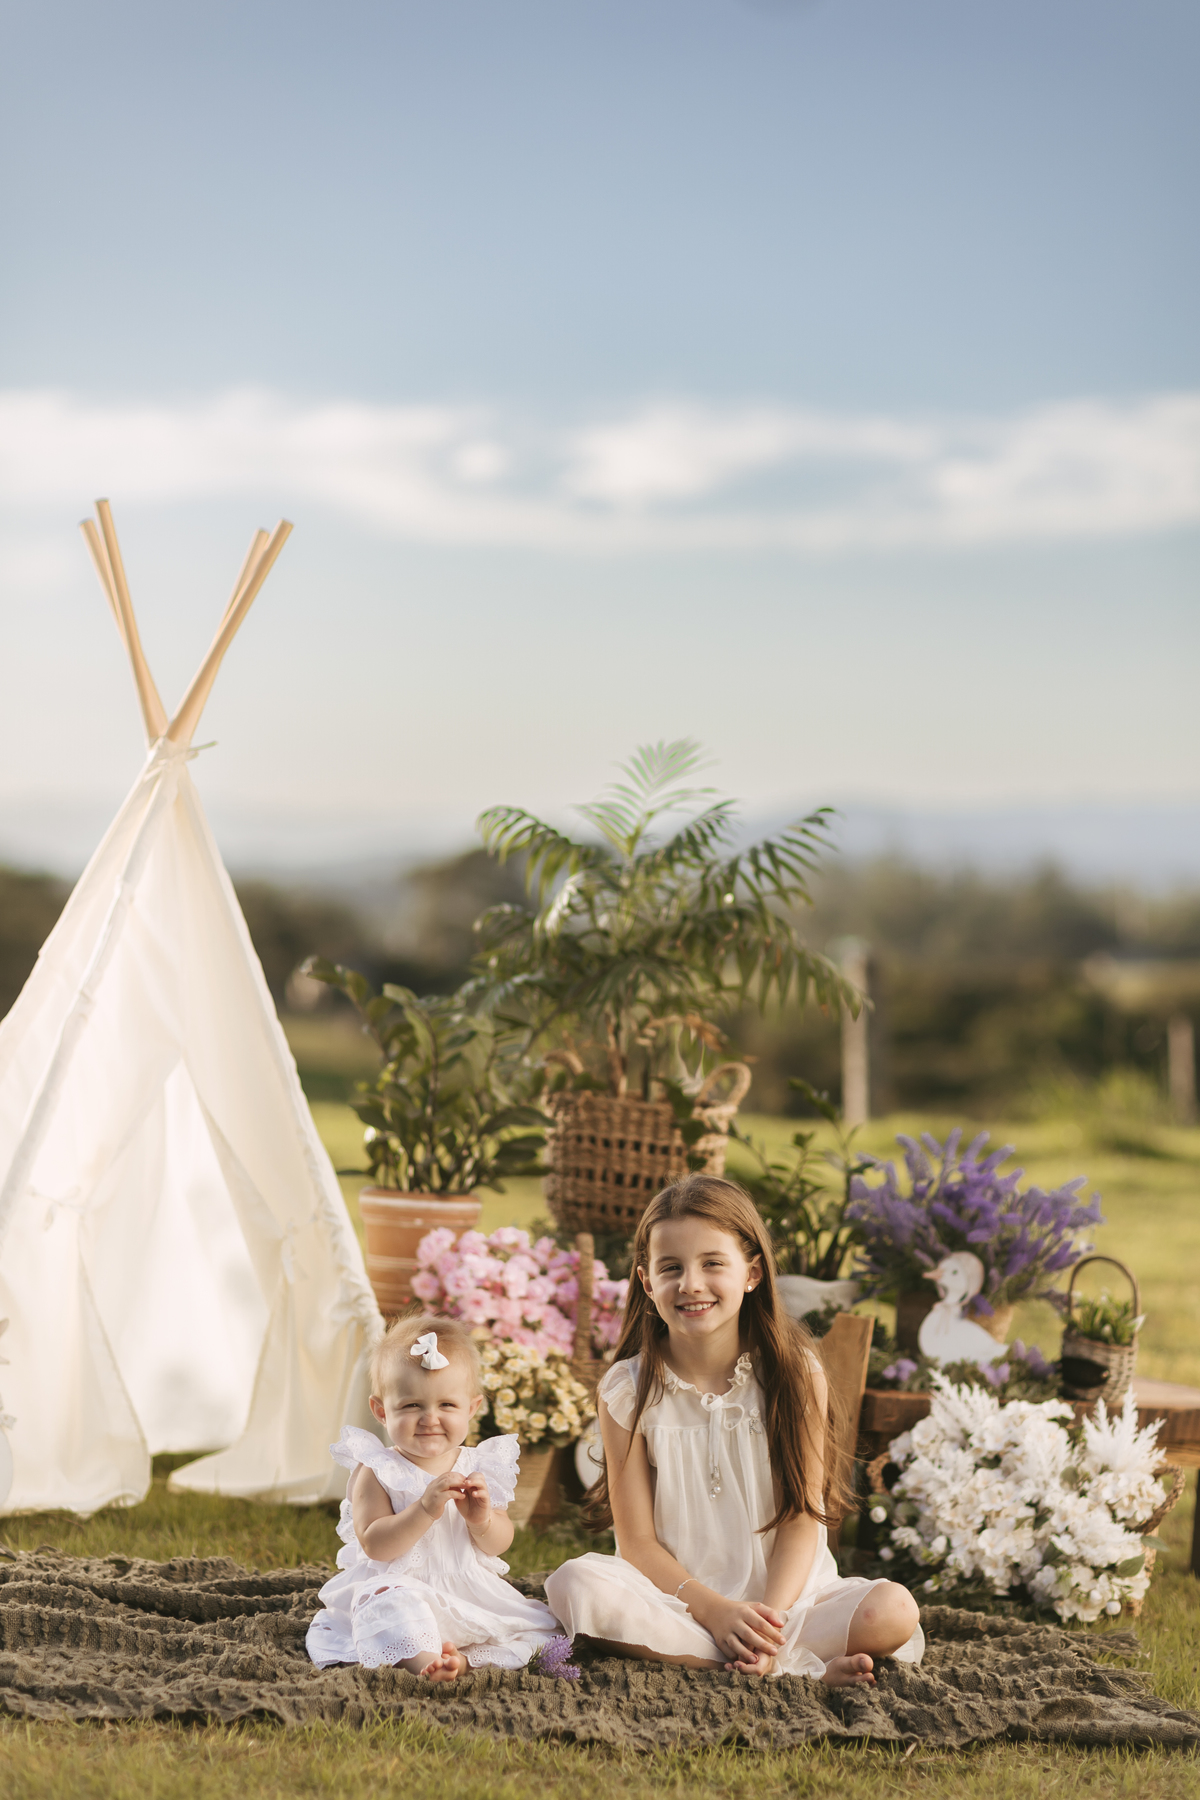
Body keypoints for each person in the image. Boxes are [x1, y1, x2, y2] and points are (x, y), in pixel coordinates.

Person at [545, 1175, 924, 1684]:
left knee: (894, 1609)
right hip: (678, 1602)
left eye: (712, 1263)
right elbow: (636, 1544)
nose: (691, 1284)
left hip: (788, 1604)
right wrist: (717, 1612)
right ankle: (784, 1666)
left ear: (752, 1273)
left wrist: (769, 1622)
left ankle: (757, 1654)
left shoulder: (794, 1374)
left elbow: (800, 1520)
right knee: (573, 1585)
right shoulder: (626, 1390)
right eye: (671, 1267)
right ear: (646, 1282)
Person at [306, 1313, 560, 1681]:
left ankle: (464, 1661)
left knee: (537, 1629)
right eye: (412, 1405)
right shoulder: (378, 1469)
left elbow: (500, 1542)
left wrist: (481, 1520)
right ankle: (426, 1660)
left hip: (466, 1595)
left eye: (447, 1405)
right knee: (384, 1602)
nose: (429, 1418)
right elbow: (376, 1545)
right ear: (381, 1411)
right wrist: (424, 1509)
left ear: (472, 1408)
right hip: (404, 1593)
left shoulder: (479, 1466)